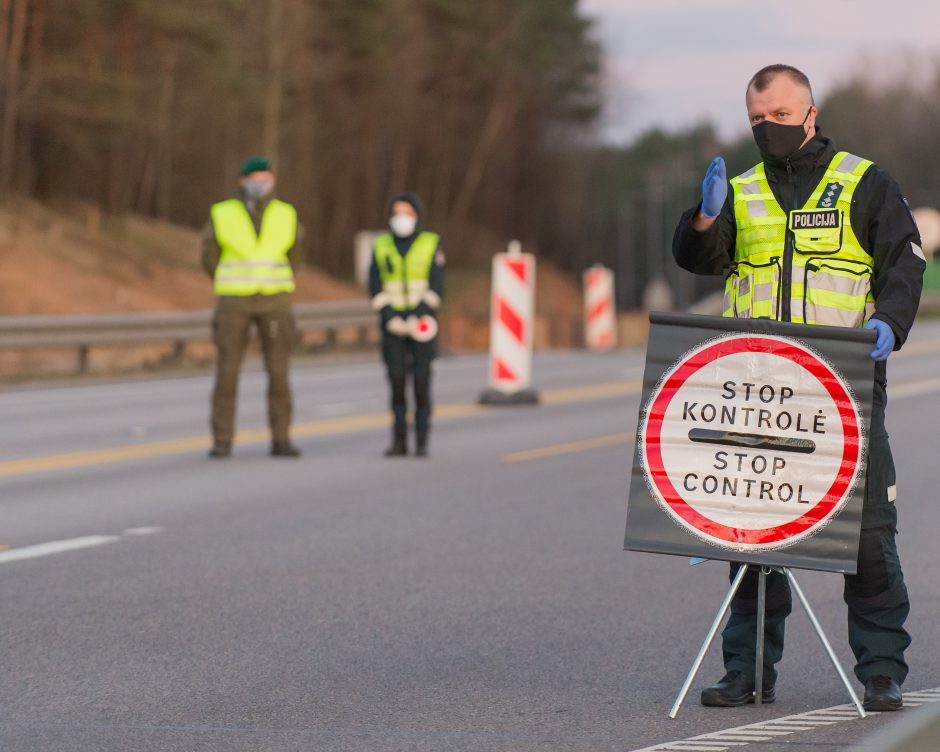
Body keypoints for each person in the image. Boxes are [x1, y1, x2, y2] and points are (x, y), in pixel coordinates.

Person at [672, 65, 926, 712]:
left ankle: (881, 670)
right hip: (758, 387)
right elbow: (697, 260)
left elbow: (905, 259)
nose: (768, 130)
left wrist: (890, 323)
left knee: (867, 533)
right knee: (753, 531)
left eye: (780, 117)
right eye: (757, 119)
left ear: (810, 112)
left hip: (843, 384)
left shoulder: (863, 182)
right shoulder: (742, 189)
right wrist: (703, 219)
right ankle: (748, 671)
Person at [202, 156, 305, 459]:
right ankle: (222, 440)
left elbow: (296, 254)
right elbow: (209, 256)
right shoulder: (222, 213)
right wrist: (226, 279)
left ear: (273, 179)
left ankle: (281, 438)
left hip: (275, 299)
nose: (259, 183)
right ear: (242, 181)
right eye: (253, 177)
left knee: (278, 372)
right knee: (227, 373)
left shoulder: (286, 213)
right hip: (234, 300)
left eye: (265, 177)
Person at [369, 192, 445, 457]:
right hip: (393, 327)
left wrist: (417, 314)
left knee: (422, 382)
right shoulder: (381, 246)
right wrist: (390, 317)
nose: (401, 218)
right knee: (397, 382)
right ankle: (399, 440)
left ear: (417, 216)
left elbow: (437, 286)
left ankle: (422, 439)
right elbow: (375, 285)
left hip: (422, 324)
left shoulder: (430, 243)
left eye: (407, 213)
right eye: (396, 213)